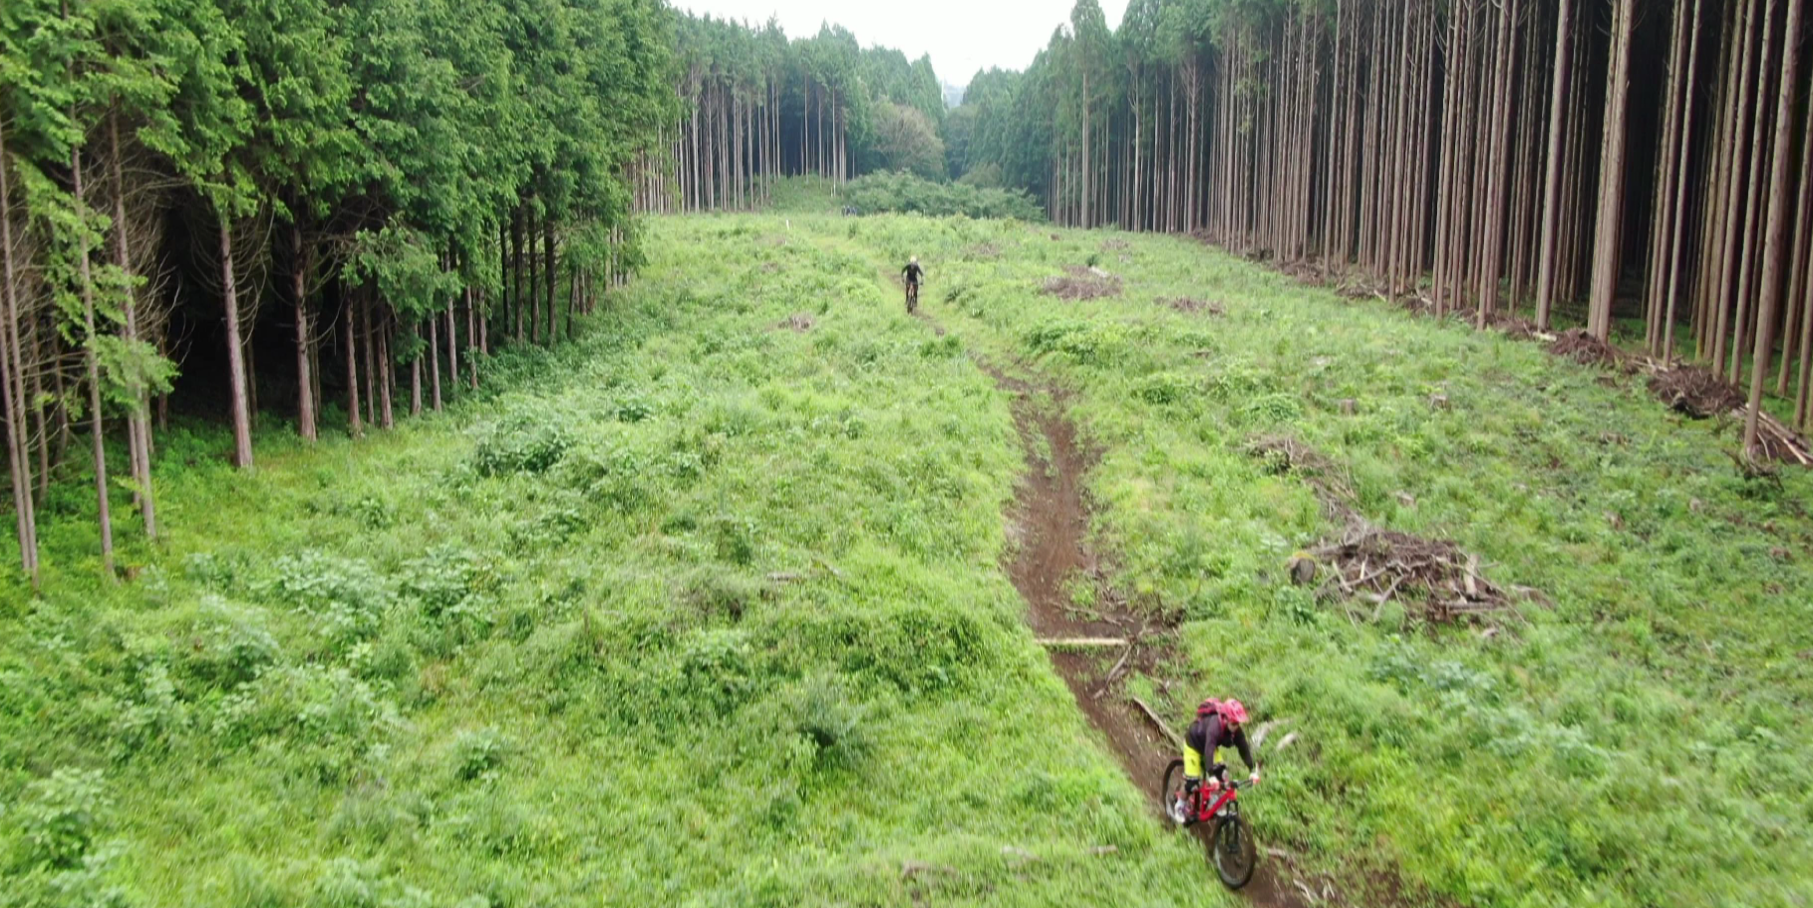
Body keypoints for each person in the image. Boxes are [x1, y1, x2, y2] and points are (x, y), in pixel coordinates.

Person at [1175, 698, 1260, 824]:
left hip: (1209, 746)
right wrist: (1211, 775)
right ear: (1225, 718)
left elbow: (1244, 749)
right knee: (1192, 783)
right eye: (1234, 723)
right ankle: (1179, 806)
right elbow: (1208, 750)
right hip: (1194, 745)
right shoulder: (1214, 727)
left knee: (1222, 774)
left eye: (1238, 723)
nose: (1236, 726)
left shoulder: (1236, 731)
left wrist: (1252, 770)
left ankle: (1214, 800)